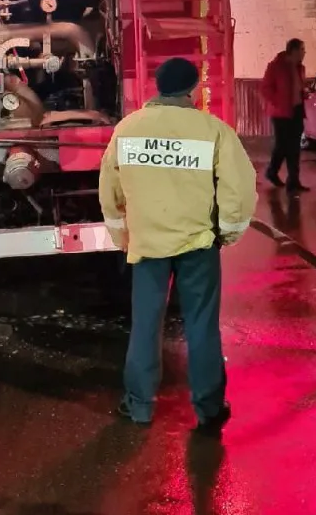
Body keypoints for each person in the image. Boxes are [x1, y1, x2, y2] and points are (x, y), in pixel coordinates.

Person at [99, 57, 258, 432]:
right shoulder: (212, 130)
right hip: (197, 244)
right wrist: (228, 232)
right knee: (201, 326)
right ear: (193, 88)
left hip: (147, 245)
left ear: (157, 87)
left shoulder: (128, 128)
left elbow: (110, 191)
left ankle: (139, 406)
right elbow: (238, 188)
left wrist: (123, 237)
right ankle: (209, 409)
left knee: (145, 324)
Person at [262, 38, 309, 194]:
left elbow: (298, 88)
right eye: (302, 49)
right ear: (294, 51)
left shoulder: (300, 68)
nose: (304, 53)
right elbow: (265, 88)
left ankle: (293, 180)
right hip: (280, 113)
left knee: (294, 147)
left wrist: (304, 93)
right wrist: (278, 102)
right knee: (282, 145)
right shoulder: (276, 66)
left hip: (297, 110)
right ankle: (272, 171)